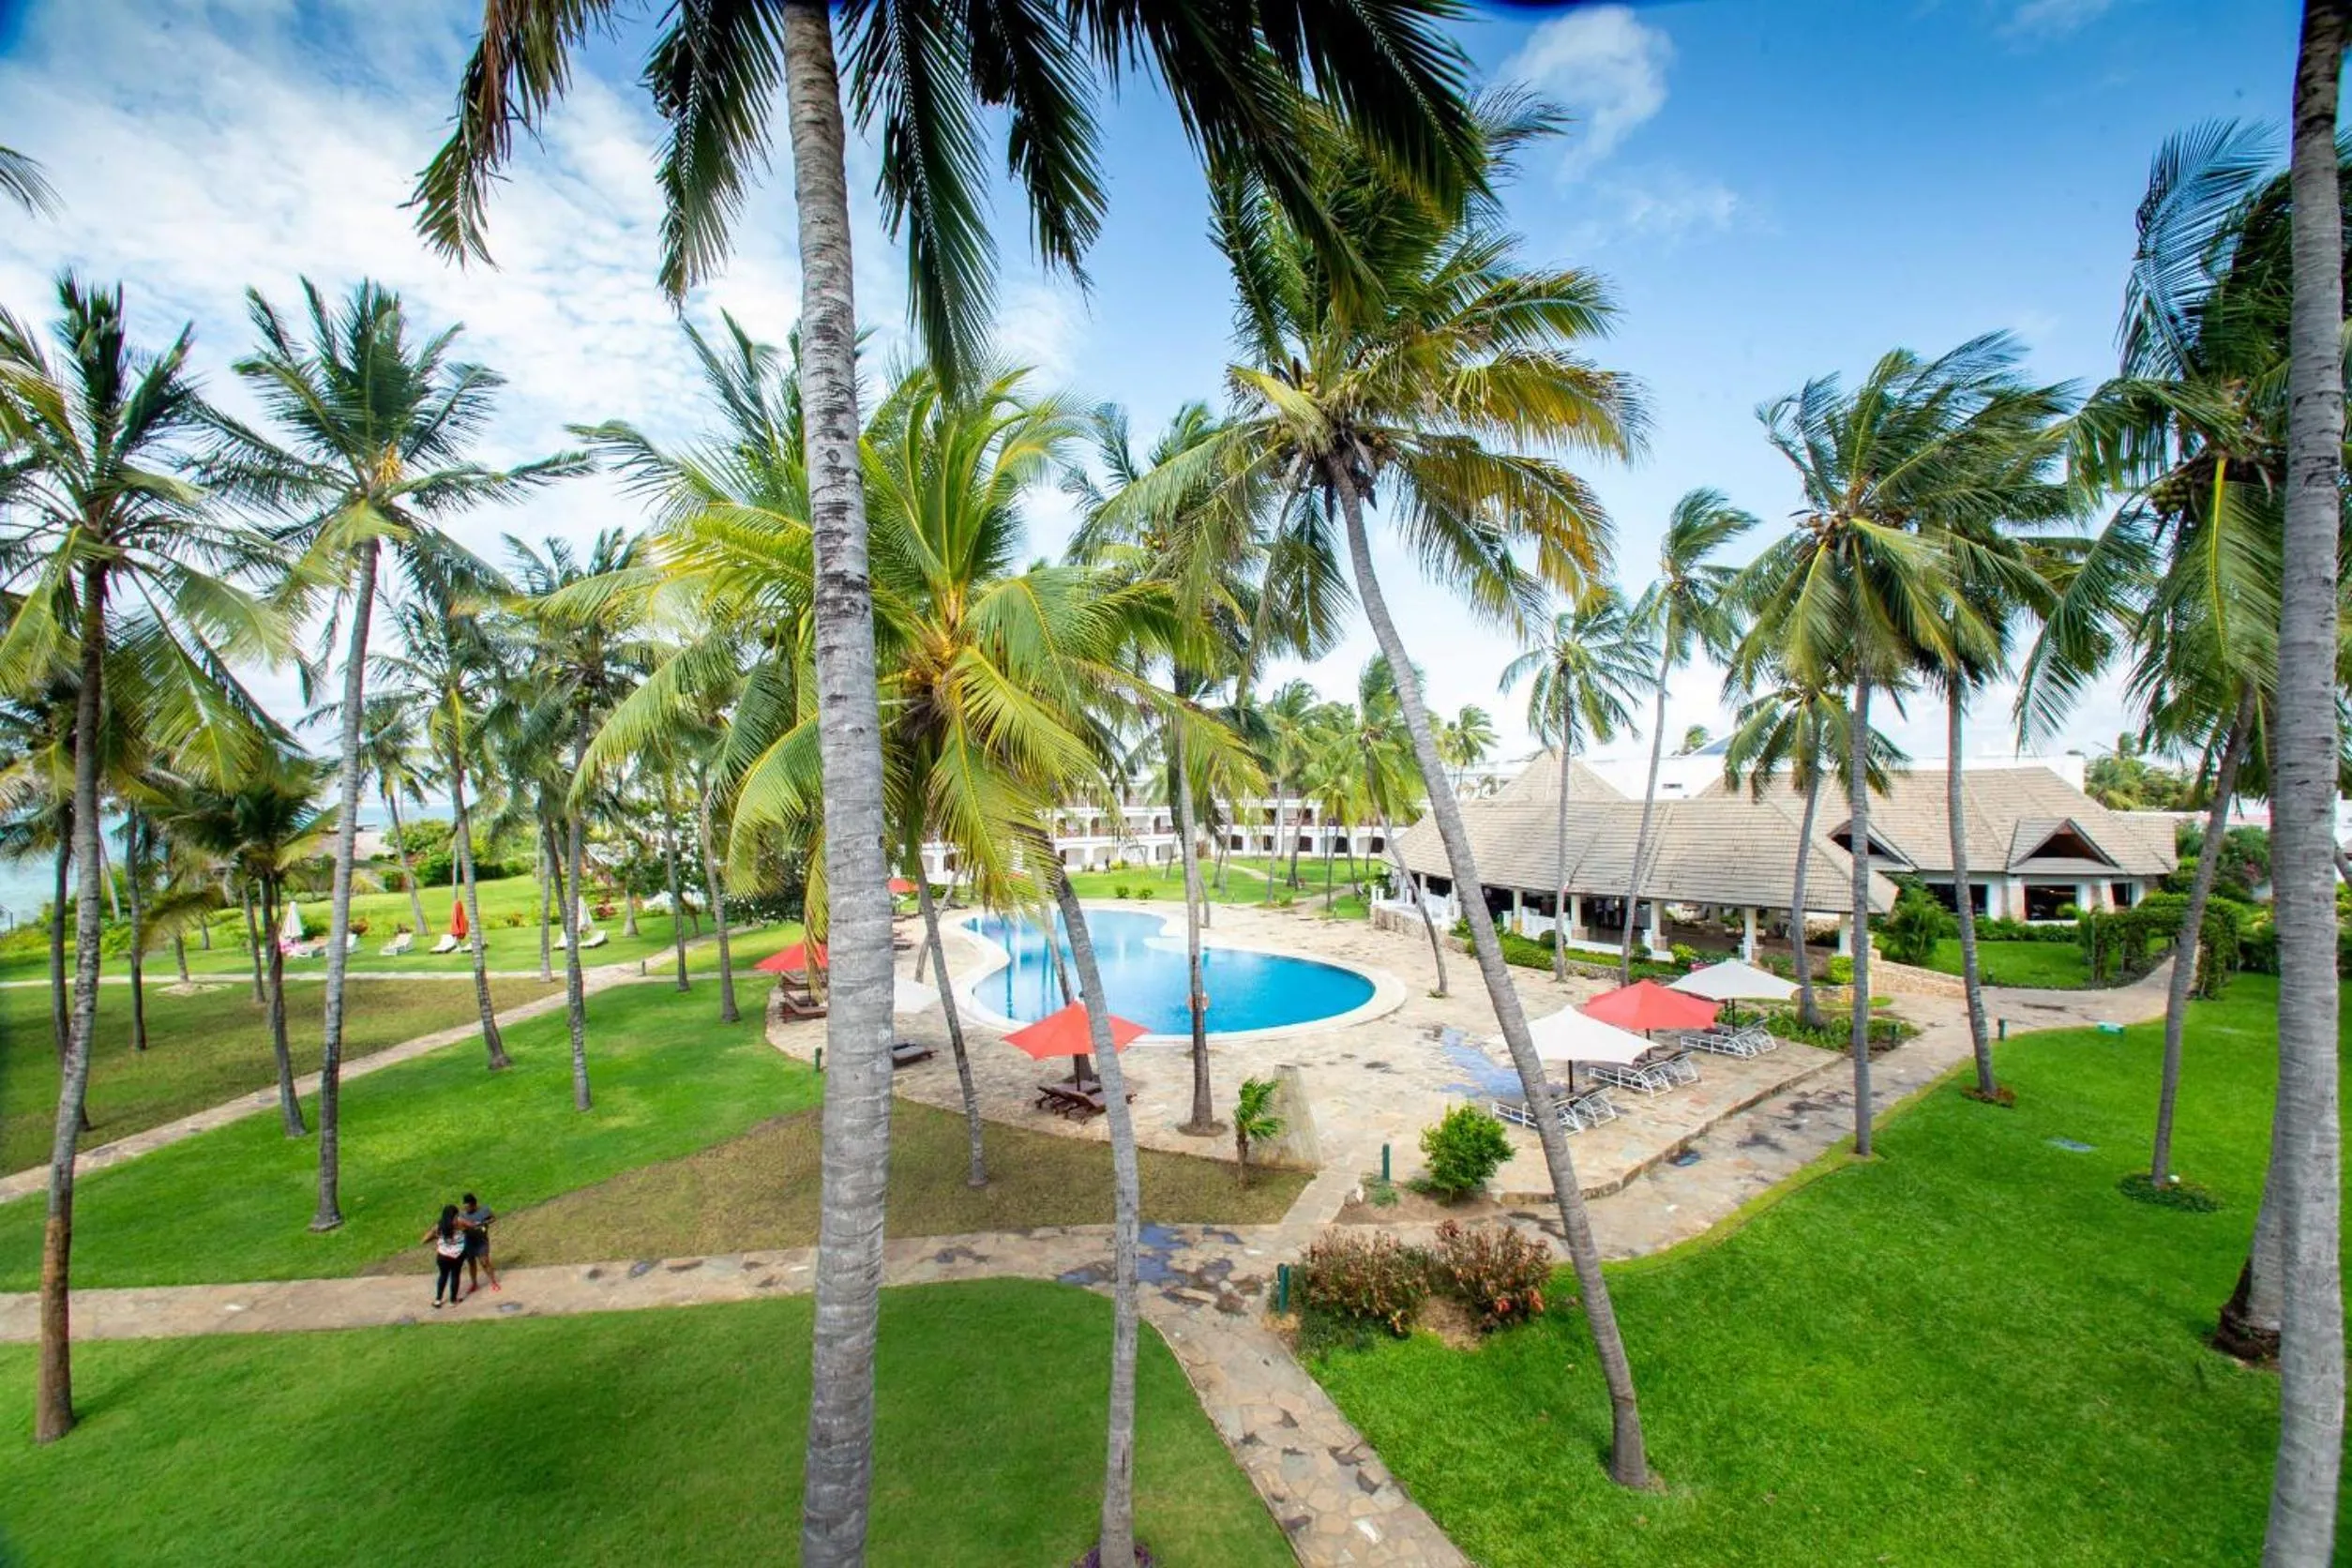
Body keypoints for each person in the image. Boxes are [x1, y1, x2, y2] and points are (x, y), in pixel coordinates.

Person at [423, 1204, 470, 1308]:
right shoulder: (459, 1222)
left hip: (443, 1255)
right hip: (457, 1255)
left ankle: (438, 1300)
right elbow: (472, 1226)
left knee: (443, 1276)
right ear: (455, 1214)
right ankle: (453, 1300)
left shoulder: (439, 1225)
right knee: (455, 1275)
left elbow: (425, 1240)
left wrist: (436, 1236)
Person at [460, 1191, 499, 1293]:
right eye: (464, 1206)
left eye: (468, 1207)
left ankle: (493, 1282)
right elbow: (459, 1227)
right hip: (469, 1242)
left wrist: (484, 1223)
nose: (466, 1209)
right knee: (471, 1264)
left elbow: (493, 1218)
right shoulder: (462, 1215)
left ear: (474, 1205)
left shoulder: (484, 1210)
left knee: (485, 1261)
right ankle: (474, 1284)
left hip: (481, 1241)